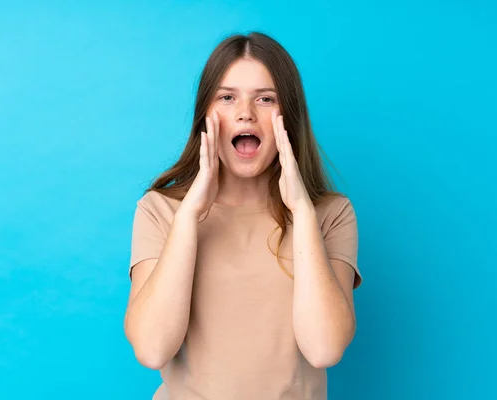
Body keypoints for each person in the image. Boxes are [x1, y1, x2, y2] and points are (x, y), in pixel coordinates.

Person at [124, 31, 363, 400]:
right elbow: (152, 348)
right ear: (206, 115)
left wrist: (301, 213)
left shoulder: (330, 215)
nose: (245, 113)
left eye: (265, 99)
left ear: (290, 117)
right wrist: (189, 216)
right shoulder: (161, 210)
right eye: (227, 97)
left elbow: (324, 348)